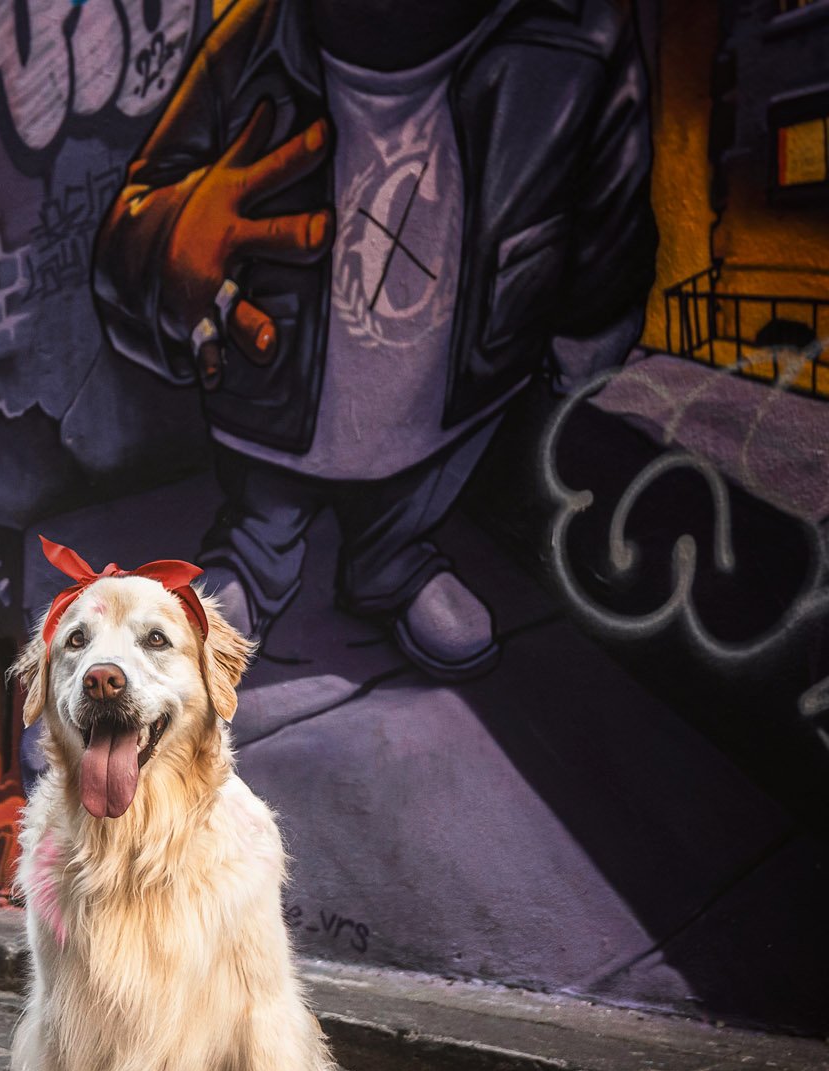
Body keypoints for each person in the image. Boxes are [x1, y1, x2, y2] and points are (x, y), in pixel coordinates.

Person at [92, 0, 656, 680]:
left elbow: (612, 207)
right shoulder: (259, 33)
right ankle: (253, 557)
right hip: (279, 386)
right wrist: (166, 247)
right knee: (267, 503)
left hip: (458, 379)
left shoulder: (582, 35)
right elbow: (139, 207)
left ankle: (393, 559)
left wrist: (585, 340)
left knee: (416, 487)